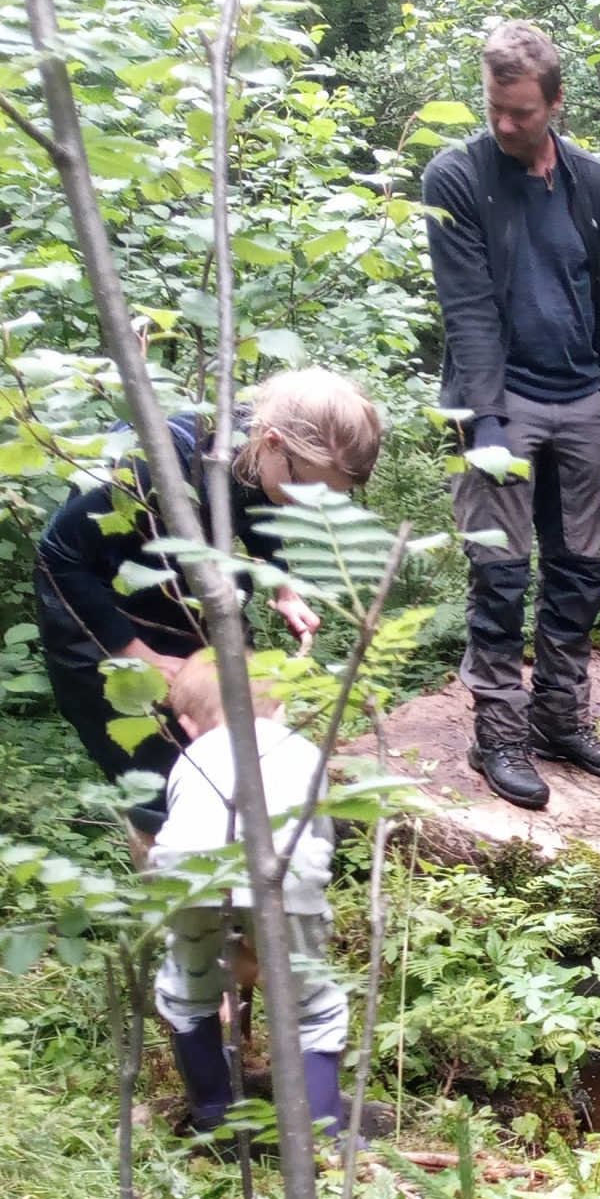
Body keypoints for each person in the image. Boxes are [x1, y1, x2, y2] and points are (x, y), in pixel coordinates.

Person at [424, 20, 600, 811]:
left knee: (579, 570)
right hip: (502, 398)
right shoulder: (457, 177)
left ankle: (559, 717)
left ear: (555, 101)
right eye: (494, 107)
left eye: (520, 111)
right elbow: (469, 310)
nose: (504, 123)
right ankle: (499, 733)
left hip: (581, 397)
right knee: (499, 570)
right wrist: (482, 419)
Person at [34, 369, 382, 836]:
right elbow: (59, 557)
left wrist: (283, 584)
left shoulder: (256, 451)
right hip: (98, 617)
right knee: (159, 777)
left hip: (187, 595)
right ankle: (175, 882)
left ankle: (248, 880)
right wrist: (137, 656)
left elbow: (261, 509)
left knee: (240, 743)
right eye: (309, 491)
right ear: (273, 441)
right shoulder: (144, 465)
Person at [147, 653, 349, 1137]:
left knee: (188, 994)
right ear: (278, 709)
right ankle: (325, 1134)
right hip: (285, 872)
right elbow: (319, 834)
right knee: (313, 1005)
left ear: (187, 723)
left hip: (188, 875)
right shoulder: (301, 749)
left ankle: (214, 1116)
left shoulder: (189, 757)